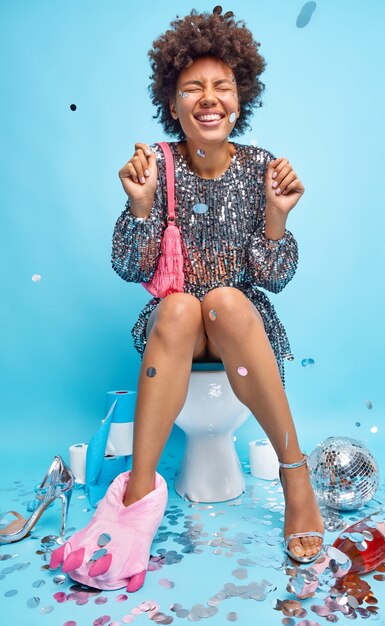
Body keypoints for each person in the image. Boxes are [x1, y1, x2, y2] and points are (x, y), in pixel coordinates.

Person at [50, 6, 324, 592]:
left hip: (239, 326)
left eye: (221, 86)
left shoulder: (261, 168)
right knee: (179, 304)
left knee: (222, 299)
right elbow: (130, 267)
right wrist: (144, 206)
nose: (208, 97)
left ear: (239, 98)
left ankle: (296, 475)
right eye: (191, 87)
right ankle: (139, 495)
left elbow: (273, 278)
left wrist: (276, 217)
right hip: (175, 332)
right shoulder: (157, 163)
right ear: (172, 105)